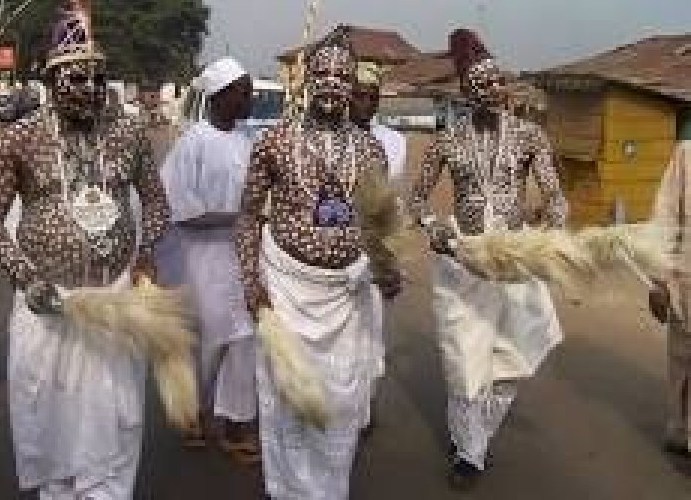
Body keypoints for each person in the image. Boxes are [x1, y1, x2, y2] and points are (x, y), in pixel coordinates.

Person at [0, 0, 170, 499]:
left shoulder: (128, 132)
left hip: (116, 303)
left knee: (115, 428)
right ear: (49, 84)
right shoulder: (17, 140)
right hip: (49, 312)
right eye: (76, 79)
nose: (89, 89)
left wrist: (146, 252)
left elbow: (157, 204)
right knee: (53, 427)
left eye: (97, 78)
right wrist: (26, 276)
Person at [408, 28, 566, 489]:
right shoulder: (446, 142)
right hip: (463, 262)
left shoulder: (530, 136)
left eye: (498, 84)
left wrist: (552, 230)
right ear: (466, 93)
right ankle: (469, 454)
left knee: (511, 362)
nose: (493, 92)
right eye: (482, 86)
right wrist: (432, 227)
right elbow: (416, 201)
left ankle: (476, 437)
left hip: (515, 262)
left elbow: (554, 196)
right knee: (463, 363)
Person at [235, 42, 391, 499]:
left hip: (348, 295)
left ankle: (328, 490)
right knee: (286, 401)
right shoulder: (274, 141)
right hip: (286, 289)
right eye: (322, 74)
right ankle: (286, 491)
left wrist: (386, 266)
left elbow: (379, 222)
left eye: (342, 78)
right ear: (306, 81)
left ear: (352, 88)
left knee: (341, 405)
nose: (331, 84)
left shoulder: (370, 149)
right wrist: (251, 281)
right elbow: (247, 216)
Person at [159, 57, 259, 464]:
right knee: (206, 343)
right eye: (245, 92)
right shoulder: (193, 141)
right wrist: (243, 215)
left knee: (245, 339)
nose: (250, 99)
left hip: (244, 257)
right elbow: (182, 210)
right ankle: (193, 413)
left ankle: (236, 423)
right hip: (201, 260)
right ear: (222, 96)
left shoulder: (248, 139)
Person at [350, 62, 405, 429]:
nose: (366, 103)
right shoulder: (329, 140)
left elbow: (387, 205)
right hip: (332, 248)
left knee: (370, 330)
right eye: (359, 95)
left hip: (373, 248)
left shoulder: (394, 142)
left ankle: (364, 409)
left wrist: (387, 261)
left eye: (373, 97)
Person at [649, 141, 691, 464]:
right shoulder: (686, 155)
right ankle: (678, 430)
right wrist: (659, 280)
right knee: (679, 361)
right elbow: (664, 218)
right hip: (685, 284)